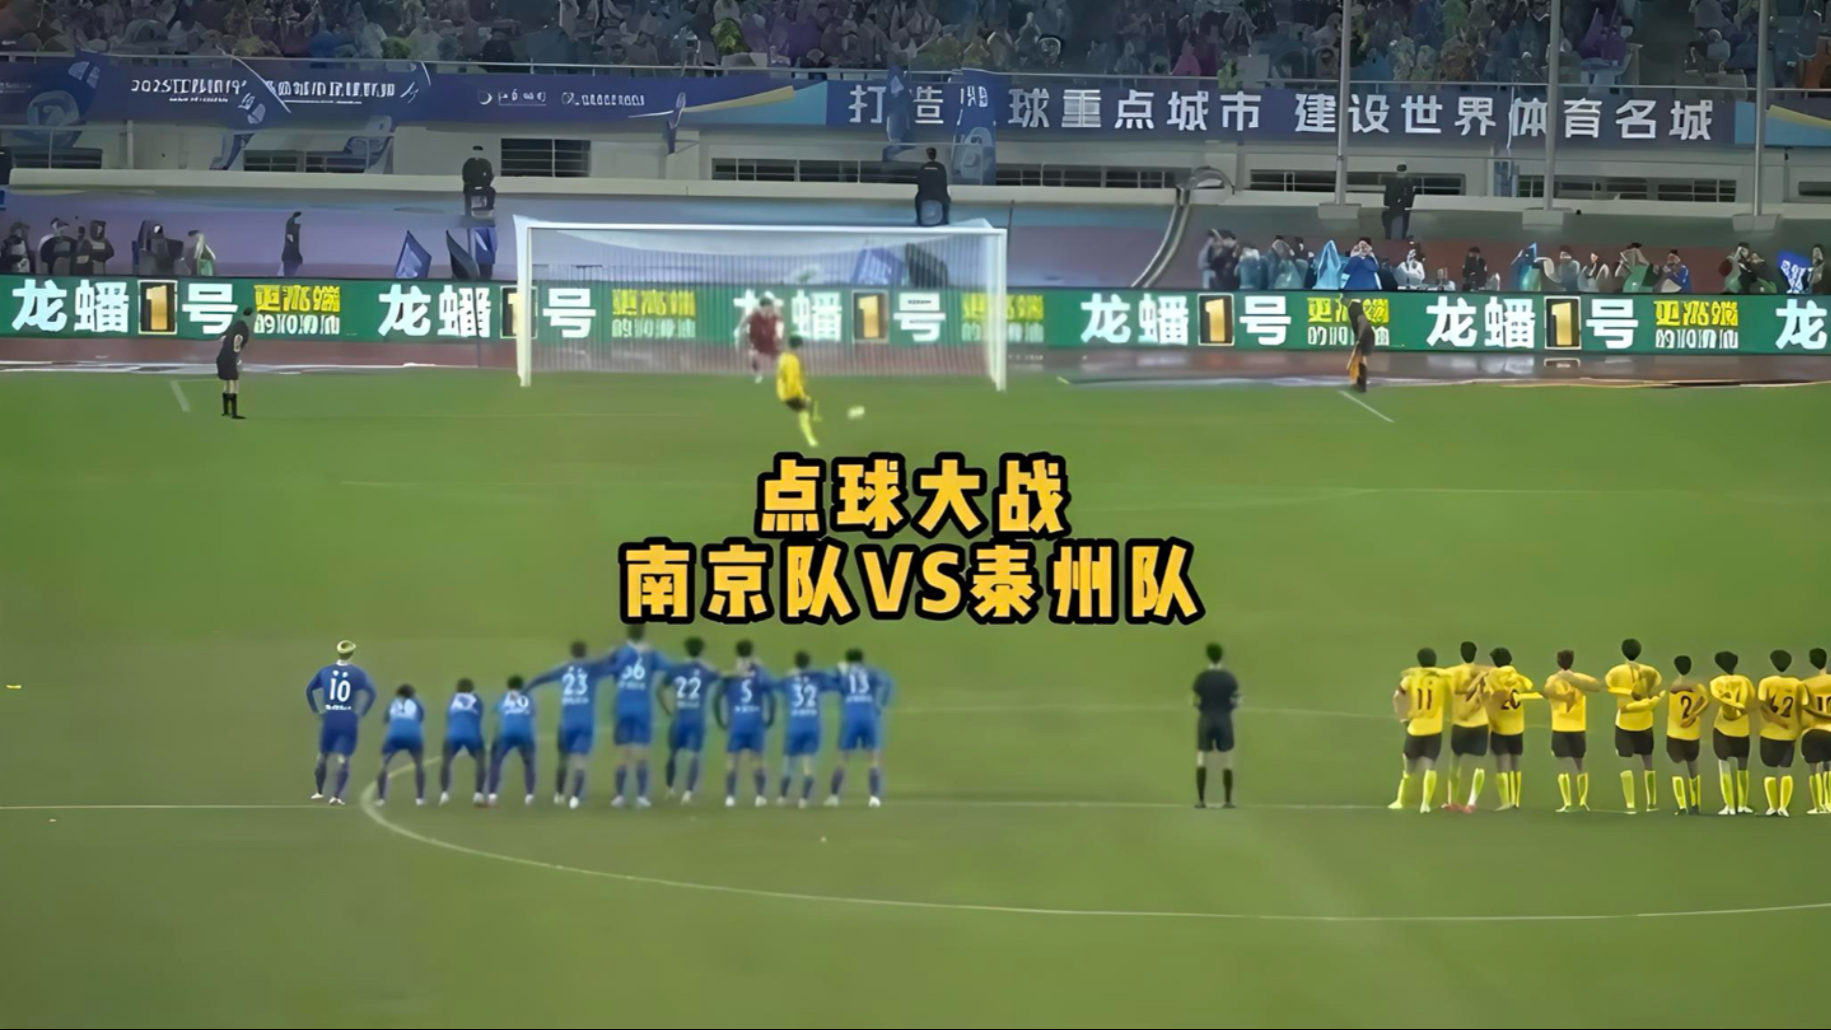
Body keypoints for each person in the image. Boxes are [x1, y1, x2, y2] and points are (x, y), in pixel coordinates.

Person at [525, 640, 608, 808]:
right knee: (580, 761)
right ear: (586, 652)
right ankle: (575, 798)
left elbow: (542, 678)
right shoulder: (592, 668)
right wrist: (613, 653)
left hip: (566, 722)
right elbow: (609, 665)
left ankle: (559, 795)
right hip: (585, 721)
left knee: (563, 759)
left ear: (571, 652)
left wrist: (526, 689)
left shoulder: (563, 668)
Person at [604, 625, 669, 808]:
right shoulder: (651, 654)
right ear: (643, 634)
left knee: (622, 753)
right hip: (642, 707)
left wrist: (610, 656)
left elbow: (610, 670)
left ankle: (619, 797)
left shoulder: (621, 653)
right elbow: (670, 667)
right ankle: (641, 797)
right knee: (642, 752)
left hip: (622, 706)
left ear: (628, 634)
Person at [304, 640, 376, 806]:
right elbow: (372, 693)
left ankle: (319, 792)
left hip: (330, 716)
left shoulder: (325, 671)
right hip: (348, 716)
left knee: (322, 756)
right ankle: (336, 796)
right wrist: (361, 712)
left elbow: (309, 690)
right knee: (343, 759)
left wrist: (317, 710)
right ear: (352, 654)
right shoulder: (358, 673)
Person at [828, 647, 893, 807]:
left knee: (842, 758)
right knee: (873, 758)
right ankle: (874, 798)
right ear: (862, 659)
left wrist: (838, 671)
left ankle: (834, 797)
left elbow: (833, 685)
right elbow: (887, 684)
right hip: (869, 716)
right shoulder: (872, 671)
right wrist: (881, 704)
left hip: (851, 717)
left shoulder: (844, 673)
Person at [1605, 638, 1664, 814]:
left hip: (1624, 723)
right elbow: (1657, 685)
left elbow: (1609, 685)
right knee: (1648, 762)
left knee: (1626, 763)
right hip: (1645, 722)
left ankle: (1630, 804)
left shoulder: (1615, 672)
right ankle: (1651, 802)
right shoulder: (1651, 671)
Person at [717, 640, 777, 808]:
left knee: (732, 760)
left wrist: (720, 720)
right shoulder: (759, 672)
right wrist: (770, 718)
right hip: (755, 722)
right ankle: (760, 796)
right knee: (758, 760)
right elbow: (771, 695)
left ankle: (730, 797)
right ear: (752, 651)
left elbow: (717, 697)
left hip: (736, 722)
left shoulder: (731, 674)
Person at [659, 636, 719, 804]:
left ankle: (670, 788)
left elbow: (660, 689)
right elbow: (719, 674)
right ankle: (688, 793)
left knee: (672, 754)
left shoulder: (676, 669)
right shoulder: (705, 670)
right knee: (694, 755)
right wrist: (703, 662)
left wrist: (667, 709)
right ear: (702, 650)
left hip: (679, 718)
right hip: (696, 719)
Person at [1544, 649, 1604, 813]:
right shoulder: (1581, 679)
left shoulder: (1552, 679)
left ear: (1558, 661)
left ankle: (1568, 802)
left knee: (1563, 765)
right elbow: (1596, 685)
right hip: (1578, 726)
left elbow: (1546, 691)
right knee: (1579, 763)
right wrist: (1574, 680)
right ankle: (1582, 801)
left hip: (1560, 727)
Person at [1479, 648, 1539, 811]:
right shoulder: (1517, 677)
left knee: (1502, 764)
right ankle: (1516, 800)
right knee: (1515, 763)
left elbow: (1488, 693)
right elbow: (1529, 685)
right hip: (1517, 727)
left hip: (1500, 727)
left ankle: (1506, 801)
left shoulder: (1492, 677)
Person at [1390, 648, 1447, 813]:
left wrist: (1403, 717)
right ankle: (1426, 804)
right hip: (1434, 729)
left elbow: (1397, 697)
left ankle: (1401, 800)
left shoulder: (1410, 679)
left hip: (1415, 729)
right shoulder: (1442, 681)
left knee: (1408, 770)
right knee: (1430, 768)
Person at [776, 651, 835, 808]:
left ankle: (782, 797)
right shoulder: (817, 680)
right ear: (809, 663)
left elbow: (774, 684)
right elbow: (833, 681)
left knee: (788, 763)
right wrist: (814, 672)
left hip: (795, 726)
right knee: (808, 765)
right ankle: (804, 800)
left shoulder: (789, 680)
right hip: (812, 726)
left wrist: (791, 674)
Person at [1442, 641, 1491, 812]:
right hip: (1480, 723)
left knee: (1455, 763)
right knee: (1479, 764)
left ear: (1461, 653)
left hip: (1460, 724)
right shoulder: (1483, 673)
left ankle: (1452, 801)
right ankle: (1472, 802)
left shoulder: (1452, 673)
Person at [1756, 650, 1805, 817]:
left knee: (1769, 770)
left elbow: (1763, 705)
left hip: (1769, 733)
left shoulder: (1766, 682)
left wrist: (1776, 719)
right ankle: (1784, 807)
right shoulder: (1797, 684)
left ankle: (1772, 806)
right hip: (1789, 733)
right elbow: (1802, 706)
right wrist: (1798, 727)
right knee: (1786, 770)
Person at [1192, 642, 1239, 809]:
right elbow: (1237, 700)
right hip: (1224, 720)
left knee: (1201, 758)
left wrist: (1202, 707)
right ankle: (1227, 801)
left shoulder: (1202, 678)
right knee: (1226, 760)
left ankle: (1201, 801)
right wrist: (1228, 708)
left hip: (1206, 719)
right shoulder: (1229, 678)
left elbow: (1194, 701)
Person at [1708, 650, 1755, 814]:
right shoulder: (1745, 681)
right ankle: (1742, 804)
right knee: (1743, 766)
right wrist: (1740, 706)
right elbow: (1751, 701)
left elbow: (1718, 697)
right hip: (1742, 729)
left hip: (1722, 728)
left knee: (1724, 765)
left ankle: (1729, 806)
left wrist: (1731, 703)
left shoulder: (1716, 682)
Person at [1663, 656, 1709, 816]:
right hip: (1692, 733)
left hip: (1674, 732)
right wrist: (1693, 715)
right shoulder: (1696, 686)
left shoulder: (1673, 686)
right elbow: (1706, 700)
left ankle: (1682, 805)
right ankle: (1695, 804)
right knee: (1693, 768)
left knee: (1677, 769)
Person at [487, 676, 537, 807]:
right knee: (529, 763)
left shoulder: (504, 697)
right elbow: (533, 713)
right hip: (525, 735)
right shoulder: (528, 698)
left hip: (506, 734)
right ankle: (529, 796)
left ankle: (492, 795)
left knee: (496, 761)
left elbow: (496, 711)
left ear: (508, 686)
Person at [374, 684, 427, 807]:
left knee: (384, 765)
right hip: (413, 736)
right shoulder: (417, 703)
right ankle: (419, 798)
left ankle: (381, 799)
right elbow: (421, 717)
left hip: (394, 736)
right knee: (419, 764)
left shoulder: (393, 703)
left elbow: (385, 719)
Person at [440, 678, 488, 806]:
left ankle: (444, 794)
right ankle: (478, 794)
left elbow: (448, 716)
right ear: (472, 689)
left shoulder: (453, 699)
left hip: (453, 735)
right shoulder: (477, 699)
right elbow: (480, 716)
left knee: (446, 762)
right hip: (473, 736)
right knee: (481, 760)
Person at [1801, 649, 1831, 814]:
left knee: (1814, 769)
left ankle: (1818, 805)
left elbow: (1804, 711)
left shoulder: (1806, 684)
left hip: (1814, 730)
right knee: (1829, 767)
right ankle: (1829, 802)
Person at [777, 334, 818, 449]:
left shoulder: (783, 357)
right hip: (790, 394)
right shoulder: (793, 361)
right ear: (798, 346)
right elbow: (792, 382)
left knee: (804, 411)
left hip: (782, 390)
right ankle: (810, 439)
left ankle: (810, 436)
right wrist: (802, 396)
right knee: (803, 414)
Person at [215, 306, 253, 419]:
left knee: (227, 382)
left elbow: (223, 336)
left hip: (222, 357)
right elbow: (238, 340)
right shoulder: (244, 328)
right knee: (234, 383)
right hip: (230, 358)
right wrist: (236, 355)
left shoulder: (235, 324)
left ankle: (226, 411)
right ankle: (234, 413)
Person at [740, 294, 783, 383]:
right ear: (762, 307)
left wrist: (778, 336)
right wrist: (742, 329)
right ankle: (757, 374)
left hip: (769, 341)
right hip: (757, 341)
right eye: (767, 306)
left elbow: (780, 319)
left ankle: (782, 374)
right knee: (753, 355)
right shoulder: (754, 315)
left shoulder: (772, 316)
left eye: (770, 307)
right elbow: (744, 322)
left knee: (777, 358)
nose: (769, 308)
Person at [915, 145, 950, 225]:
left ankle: (919, 219)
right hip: (939, 193)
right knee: (946, 201)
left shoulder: (923, 167)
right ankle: (945, 219)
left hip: (925, 193)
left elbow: (919, 181)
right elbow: (944, 182)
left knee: (918, 200)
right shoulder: (940, 167)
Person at [1346, 299, 1375, 394]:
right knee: (1360, 357)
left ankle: (1363, 382)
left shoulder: (1359, 315)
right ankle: (1359, 379)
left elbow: (1362, 326)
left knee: (1362, 358)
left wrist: (1359, 339)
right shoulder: (1356, 315)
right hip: (1364, 336)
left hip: (1366, 336)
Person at [1381, 163, 1415, 240]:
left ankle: (1396, 237)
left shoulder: (1402, 182)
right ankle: (1395, 237)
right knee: (1397, 224)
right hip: (1396, 206)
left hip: (1397, 206)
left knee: (1397, 224)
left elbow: (1408, 194)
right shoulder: (1403, 182)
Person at [281, 211, 303, 277]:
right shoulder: (291, 238)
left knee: (291, 239)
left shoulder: (291, 239)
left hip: (291, 256)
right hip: (291, 257)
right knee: (291, 238)